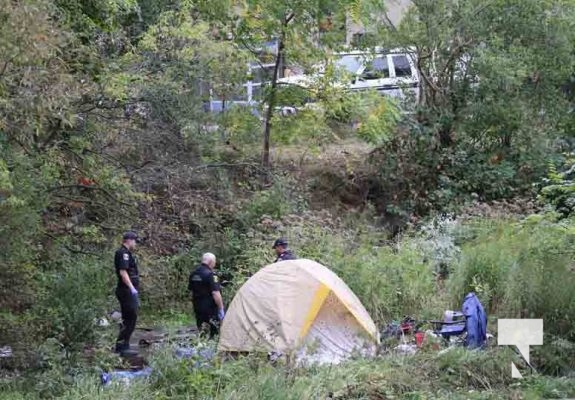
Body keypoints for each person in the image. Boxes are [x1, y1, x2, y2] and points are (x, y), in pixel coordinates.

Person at [114, 231, 140, 355]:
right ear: (128, 240)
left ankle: (124, 345)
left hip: (128, 290)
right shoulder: (122, 253)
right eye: (134, 240)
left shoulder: (128, 254)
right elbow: (123, 272)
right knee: (131, 317)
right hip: (126, 290)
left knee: (130, 317)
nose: (135, 243)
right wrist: (131, 288)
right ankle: (122, 346)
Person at [188, 253, 225, 339]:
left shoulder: (193, 274)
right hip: (210, 309)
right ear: (210, 262)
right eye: (214, 262)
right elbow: (215, 293)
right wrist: (221, 308)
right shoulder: (211, 275)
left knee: (202, 331)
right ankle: (212, 349)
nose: (214, 264)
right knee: (214, 332)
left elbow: (191, 291)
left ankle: (201, 348)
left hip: (197, 307)